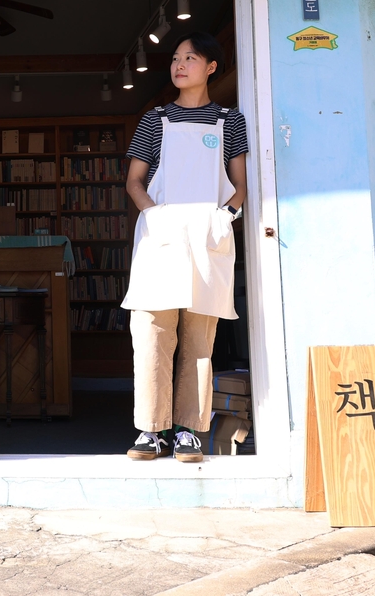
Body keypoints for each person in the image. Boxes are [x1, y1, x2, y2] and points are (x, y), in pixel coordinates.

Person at [121, 31, 248, 463]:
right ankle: (150, 430)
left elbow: (241, 184)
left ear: (211, 67)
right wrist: (153, 215)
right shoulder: (154, 120)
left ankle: (190, 430)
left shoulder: (229, 121)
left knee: (199, 337)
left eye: (190, 58)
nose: (179, 65)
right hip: (161, 233)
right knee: (153, 333)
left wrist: (225, 216)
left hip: (208, 233)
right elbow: (134, 181)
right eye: (176, 58)